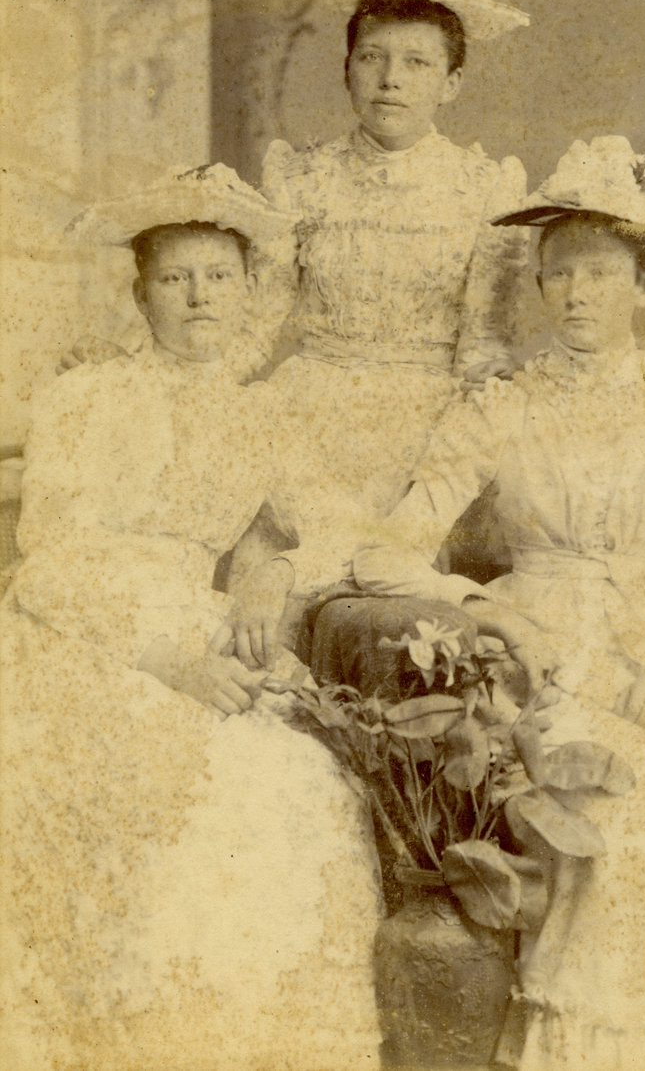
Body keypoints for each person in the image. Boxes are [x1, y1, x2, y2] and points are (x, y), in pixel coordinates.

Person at [351, 137, 645, 1071]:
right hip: (537, 655)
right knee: (612, 811)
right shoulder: (502, 400)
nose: (577, 294)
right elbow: (385, 550)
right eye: (559, 273)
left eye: (602, 274)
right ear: (537, 284)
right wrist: (486, 611)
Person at [0, 166, 382, 1071]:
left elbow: (342, 529)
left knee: (296, 780)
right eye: (175, 278)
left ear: (250, 290)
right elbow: (52, 561)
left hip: (198, 619)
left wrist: (272, 570)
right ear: (141, 295)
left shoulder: (262, 415)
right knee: (150, 780)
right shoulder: (87, 398)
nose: (199, 296)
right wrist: (166, 661)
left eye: (218, 274)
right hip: (84, 634)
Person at [233, 0, 531, 651]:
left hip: (422, 435)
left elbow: (486, 349)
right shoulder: (300, 176)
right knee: (277, 622)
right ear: (346, 70)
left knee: (396, 625)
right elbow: (257, 320)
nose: (391, 79)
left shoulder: (487, 189)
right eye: (372, 57)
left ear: (452, 83)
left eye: (418, 63)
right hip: (304, 421)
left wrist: (450, 463)